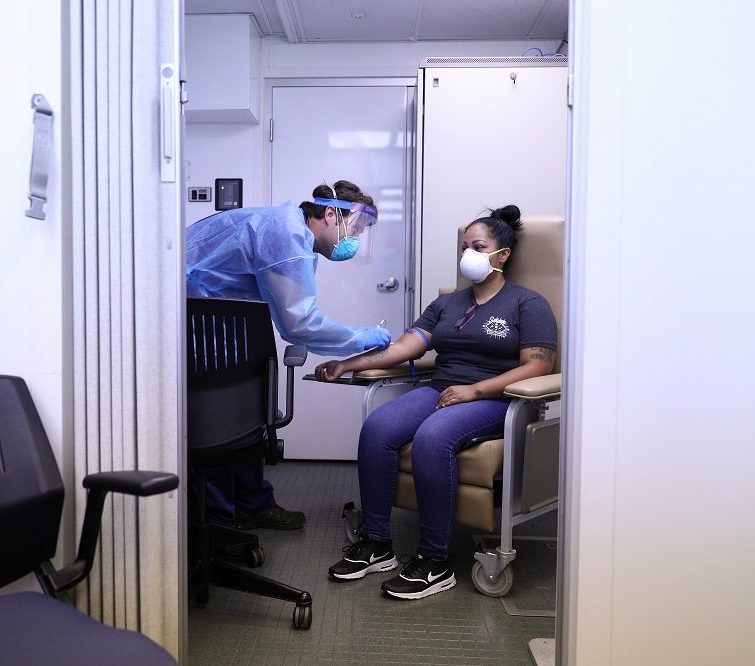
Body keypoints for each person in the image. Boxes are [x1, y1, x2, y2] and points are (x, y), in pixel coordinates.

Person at [315, 205, 557, 600]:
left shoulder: (528, 304)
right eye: (465, 247)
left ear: (502, 255)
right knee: (377, 428)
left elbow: (537, 366)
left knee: (432, 437)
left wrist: (475, 390)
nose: (468, 254)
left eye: (478, 247)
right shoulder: (447, 304)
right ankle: (376, 543)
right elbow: (402, 348)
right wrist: (347, 363)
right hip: (442, 389)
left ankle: (434, 561)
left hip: (498, 399)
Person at [186, 180, 391, 533]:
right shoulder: (285, 237)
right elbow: (299, 324)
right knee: (216, 417)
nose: (355, 240)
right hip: (190, 325)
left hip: (210, 324)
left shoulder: (290, 233)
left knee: (244, 409)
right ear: (330, 214)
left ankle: (251, 504)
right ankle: (218, 524)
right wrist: (360, 338)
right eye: (355, 229)